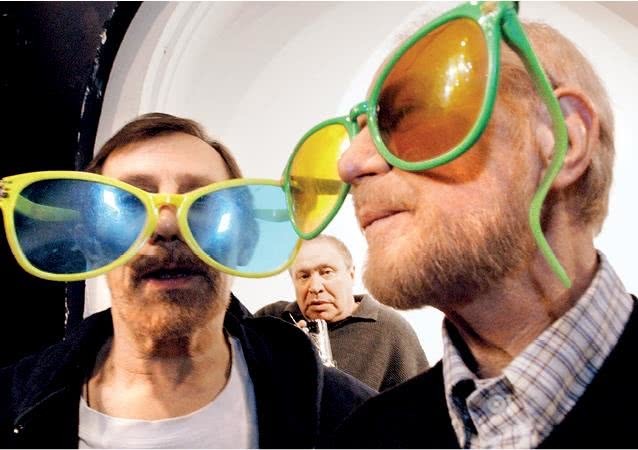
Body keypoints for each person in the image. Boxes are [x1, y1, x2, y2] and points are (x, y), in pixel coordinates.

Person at [284, 2, 635, 448]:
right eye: (359, 133)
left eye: (412, 118)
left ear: (561, 141)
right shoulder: (366, 436)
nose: (350, 163)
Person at [0, 113, 374, 448]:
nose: (167, 225)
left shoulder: (354, 421)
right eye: (129, 204)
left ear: (243, 241)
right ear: (92, 243)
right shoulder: (10, 406)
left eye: (205, 203)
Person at [256, 234, 429, 391]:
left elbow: (422, 406)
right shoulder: (272, 319)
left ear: (351, 275)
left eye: (326, 272)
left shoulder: (390, 329)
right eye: (304, 276)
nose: (315, 287)